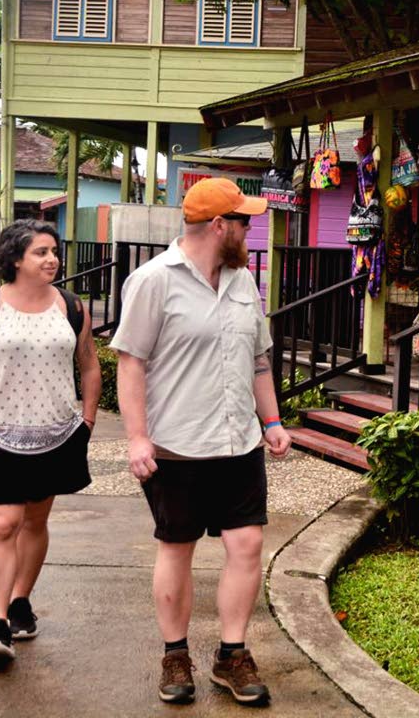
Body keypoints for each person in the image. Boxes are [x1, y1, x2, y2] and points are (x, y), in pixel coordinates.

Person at [111, 177, 290, 706]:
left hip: (239, 443)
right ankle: (175, 654)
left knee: (247, 544)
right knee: (177, 547)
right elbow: (130, 363)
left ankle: (232, 655)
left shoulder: (243, 282)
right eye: (244, 222)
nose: (250, 230)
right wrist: (137, 438)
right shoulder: (153, 281)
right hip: (177, 444)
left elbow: (258, 359)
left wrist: (272, 421)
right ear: (218, 226)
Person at [0, 219, 100, 663]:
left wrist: (87, 421)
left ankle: (19, 602)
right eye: (41, 252)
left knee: (34, 522)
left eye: (54, 251)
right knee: (2, 524)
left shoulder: (72, 307)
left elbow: (89, 363)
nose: (52, 259)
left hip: (56, 436)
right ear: (15, 258)